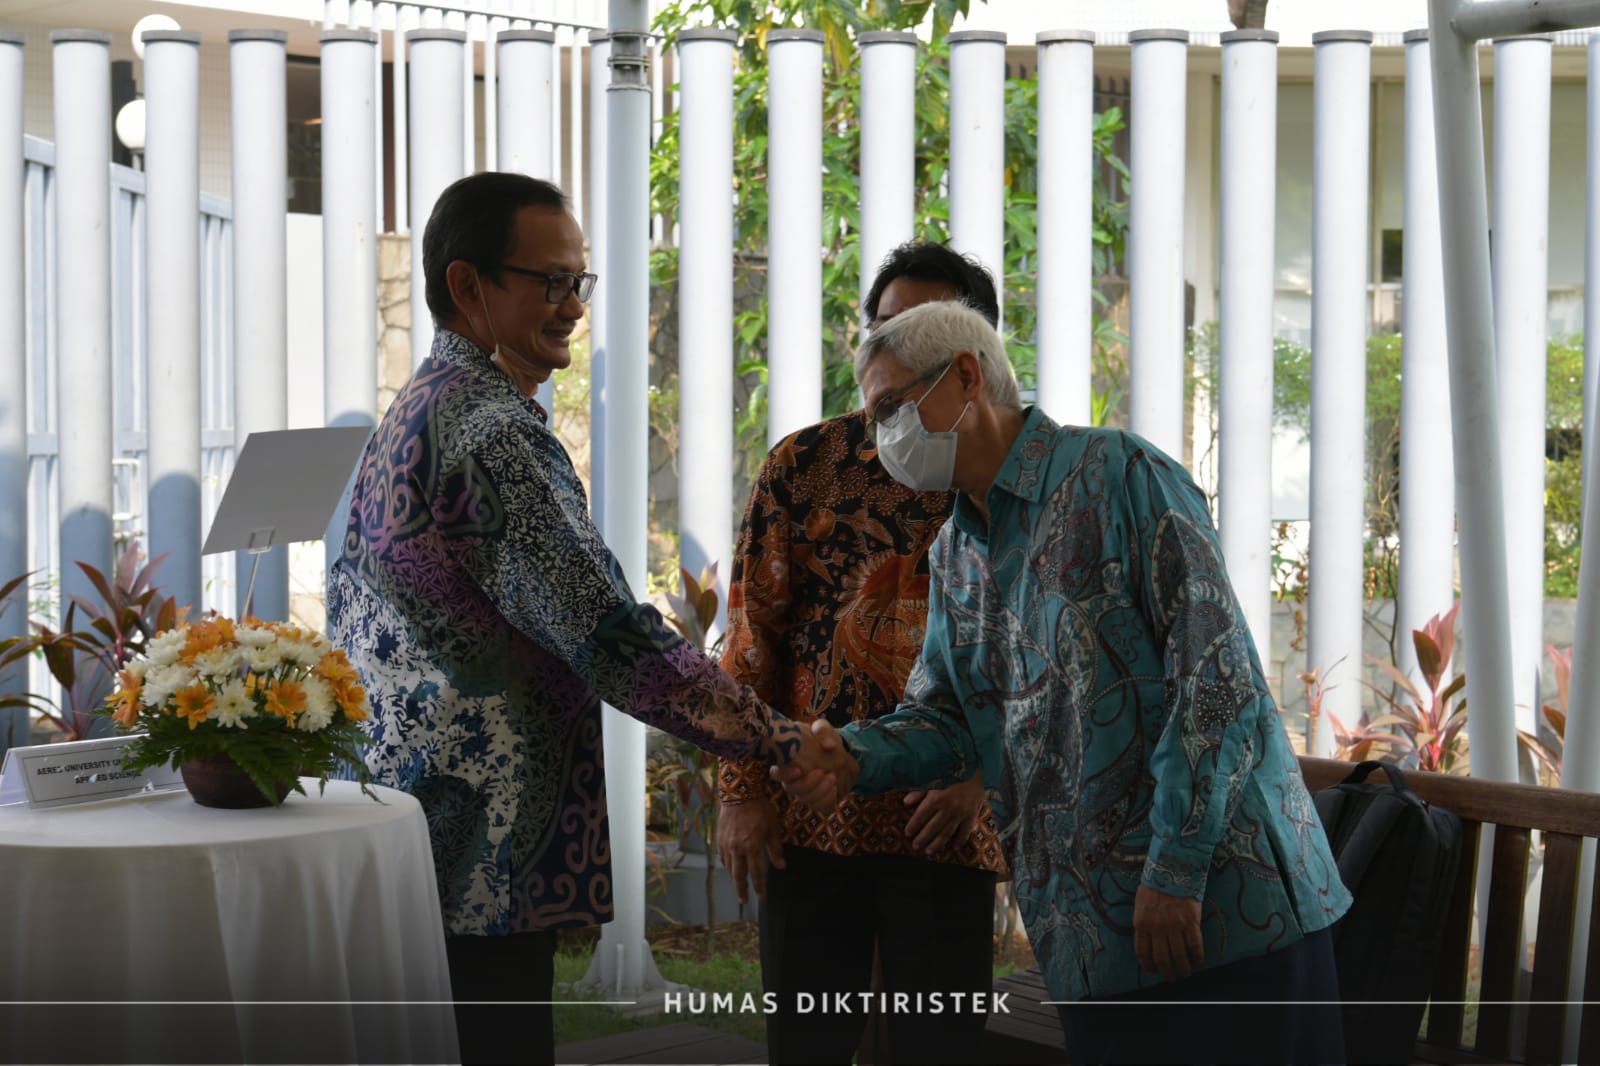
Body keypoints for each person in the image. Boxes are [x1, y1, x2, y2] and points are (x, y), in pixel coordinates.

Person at [327, 172, 827, 1066]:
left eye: (578, 281)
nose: (574, 307)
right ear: (468, 286)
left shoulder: (418, 406)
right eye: (551, 282)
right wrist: (778, 740)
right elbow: (608, 635)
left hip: (411, 836)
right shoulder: (492, 433)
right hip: (479, 852)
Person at [780, 300, 1353, 1064]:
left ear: (966, 376)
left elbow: (1216, 683)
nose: (883, 436)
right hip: (1090, 939)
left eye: (891, 409)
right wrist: (852, 755)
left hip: (1224, 913)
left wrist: (1175, 871)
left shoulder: (1121, 475)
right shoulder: (955, 552)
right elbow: (947, 718)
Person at [716, 243, 1009, 1066]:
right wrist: (742, 789)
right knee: (805, 1042)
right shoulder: (805, 464)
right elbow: (751, 634)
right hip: (813, 812)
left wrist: (982, 776)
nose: (897, 347)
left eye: (925, 330)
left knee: (939, 1047)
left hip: (945, 822)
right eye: (886, 326)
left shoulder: (1007, 479)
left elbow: (1038, 660)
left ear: (974, 356)